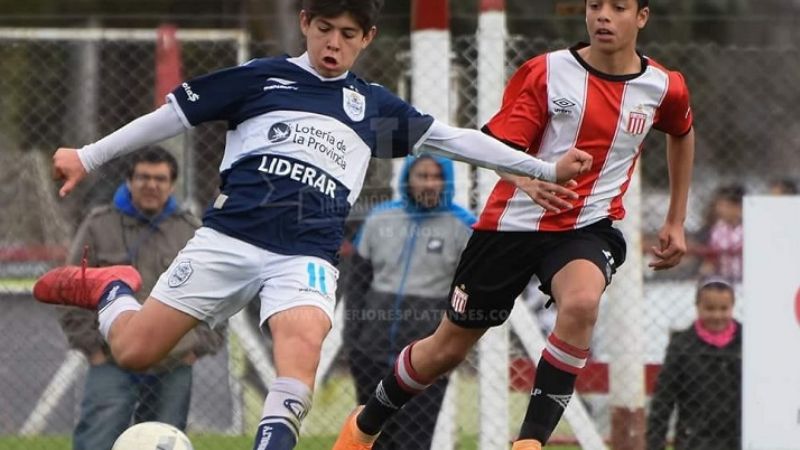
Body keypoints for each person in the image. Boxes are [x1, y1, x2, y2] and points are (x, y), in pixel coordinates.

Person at [31, 1, 592, 449]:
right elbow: (171, 114)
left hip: (305, 256)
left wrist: (537, 168)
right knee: (134, 352)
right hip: (229, 241)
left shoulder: (370, 105)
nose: (334, 43)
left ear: (367, 38)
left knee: (300, 351)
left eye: (349, 34)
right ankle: (108, 290)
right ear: (305, 23)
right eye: (324, 28)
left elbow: (453, 138)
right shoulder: (261, 79)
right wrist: (88, 155)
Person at [332, 0, 696, 449]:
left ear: (641, 17)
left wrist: (675, 219)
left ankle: (529, 442)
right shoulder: (547, 73)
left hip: (585, 227)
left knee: (582, 303)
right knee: (447, 349)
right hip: (510, 226)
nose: (603, 15)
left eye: (617, 7)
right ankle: (365, 425)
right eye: (594, 5)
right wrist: (530, 178)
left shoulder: (663, 87)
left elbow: (681, 131)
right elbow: (494, 148)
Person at [58, 147, 225, 450]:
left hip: (173, 361)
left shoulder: (192, 232)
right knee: (95, 440)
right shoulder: (99, 225)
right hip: (111, 358)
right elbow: (72, 287)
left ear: (172, 184)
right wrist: (93, 348)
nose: (151, 185)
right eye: (143, 177)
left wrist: (197, 347)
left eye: (160, 179)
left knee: (164, 443)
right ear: (129, 181)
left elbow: (219, 295)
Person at [345, 155, 474, 449]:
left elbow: (467, 298)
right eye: (421, 175)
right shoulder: (379, 219)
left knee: (414, 441)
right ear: (407, 178)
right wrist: (353, 346)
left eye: (435, 176)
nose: (429, 183)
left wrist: (448, 349)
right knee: (371, 438)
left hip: (425, 361)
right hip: (370, 354)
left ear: (447, 181)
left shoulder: (464, 227)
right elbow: (357, 286)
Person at [646, 276, 741, 450]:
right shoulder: (682, 345)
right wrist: (655, 443)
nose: (717, 315)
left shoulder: (746, 342)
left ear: (732, 307)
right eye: (709, 308)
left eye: (723, 308)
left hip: (738, 438)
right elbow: (663, 399)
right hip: (695, 440)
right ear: (697, 306)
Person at [698, 184, 744, 281]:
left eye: (725, 206)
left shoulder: (748, 227)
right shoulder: (718, 229)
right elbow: (711, 260)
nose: (719, 210)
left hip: (747, 277)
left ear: (737, 207)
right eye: (719, 205)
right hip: (724, 279)